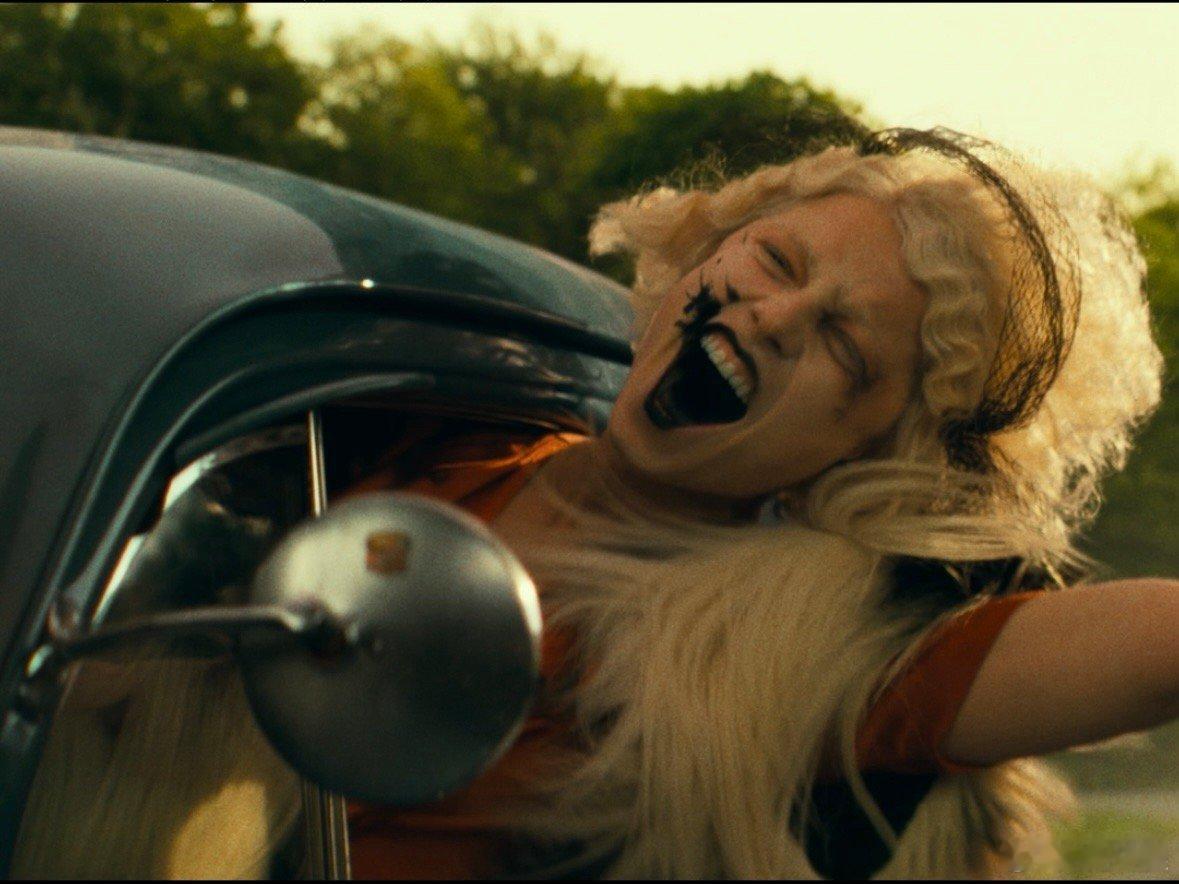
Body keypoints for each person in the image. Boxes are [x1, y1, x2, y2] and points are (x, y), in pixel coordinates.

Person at [12, 127, 1171, 879]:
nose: (772, 314)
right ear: (703, 252)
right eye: (775, 260)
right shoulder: (427, 425)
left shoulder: (767, 657)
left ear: (864, 452)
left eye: (844, 344)